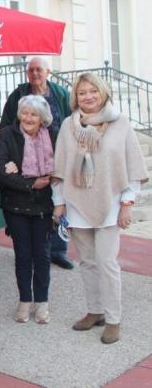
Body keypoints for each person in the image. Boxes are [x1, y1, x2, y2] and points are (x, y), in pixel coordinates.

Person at [52, 72, 148, 344]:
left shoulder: (120, 124)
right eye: (82, 93)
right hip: (77, 204)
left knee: (107, 263)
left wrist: (127, 204)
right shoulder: (68, 127)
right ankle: (95, 311)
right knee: (87, 262)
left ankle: (113, 319)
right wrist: (58, 203)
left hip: (110, 204)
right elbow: (60, 167)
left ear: (103, 93)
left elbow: (130, 166)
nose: (88, 96)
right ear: (76, 97)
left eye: (93, 91)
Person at [0, 57, 74, 270]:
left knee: (57, 204)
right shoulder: (18, 95)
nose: (34, 74)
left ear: (48, 71)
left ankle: (58, 251)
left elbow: (71, 121)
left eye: (38, 70)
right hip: (26, 158)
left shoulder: (60, 93)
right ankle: (32, 250)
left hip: (55, 155)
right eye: (30, 70)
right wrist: (9, 156)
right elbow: (5, 125)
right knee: (32, 205)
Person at [0, 95, 57, 325]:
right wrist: (30, 183)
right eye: (25, 112)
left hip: (44, 206)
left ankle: (42, 303)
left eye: (34, 114)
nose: (28, 118)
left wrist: (17, 171)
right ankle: (24, 301)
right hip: (16, 206)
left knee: (42, 255)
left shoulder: (52, 135)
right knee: (23, 255)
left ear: (42, 118)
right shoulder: (7, 134)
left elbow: (61, 167)